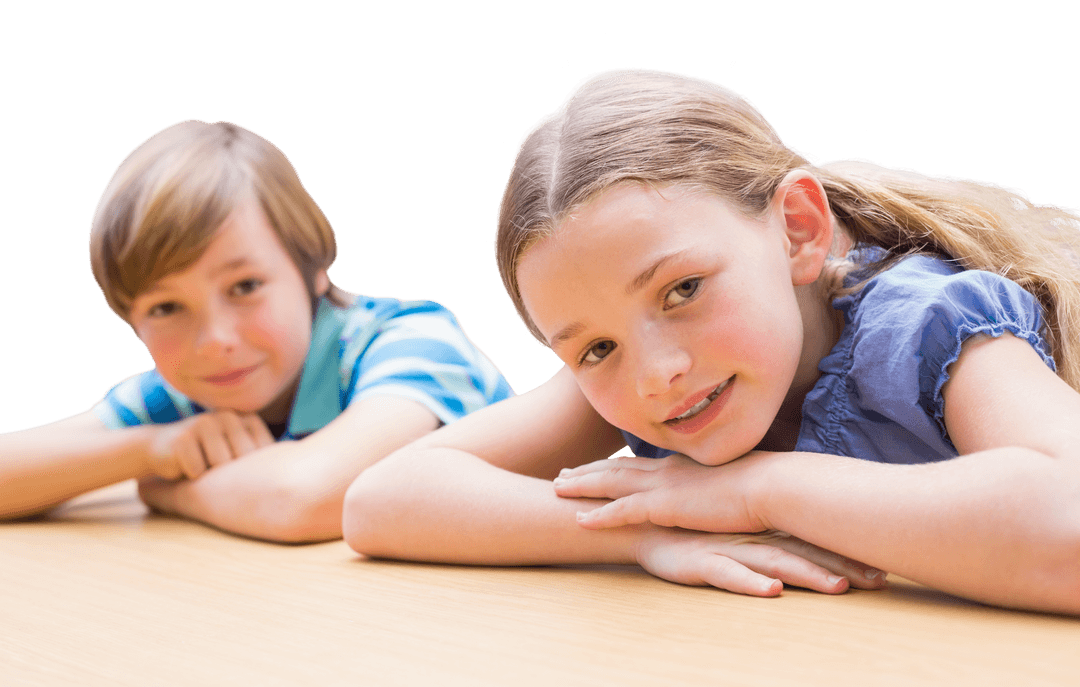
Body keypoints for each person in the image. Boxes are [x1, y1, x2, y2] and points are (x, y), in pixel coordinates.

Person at [344, 69, 1080, 614]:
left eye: (684, 289)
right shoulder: (640, 378)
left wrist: (752, 489)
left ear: (797, 230)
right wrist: (639, 535)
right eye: (593, 348)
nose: (657, 375)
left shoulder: (925, 323)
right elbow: (383, 499)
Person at [0, 119, 513, 542]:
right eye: (165, 308)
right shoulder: (179, 401)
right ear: (130, 320)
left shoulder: (411, 341)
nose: (213, 339)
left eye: (244, 286)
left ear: (313, 267)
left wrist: (165, 488)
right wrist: (148, 450)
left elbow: (307, 499)